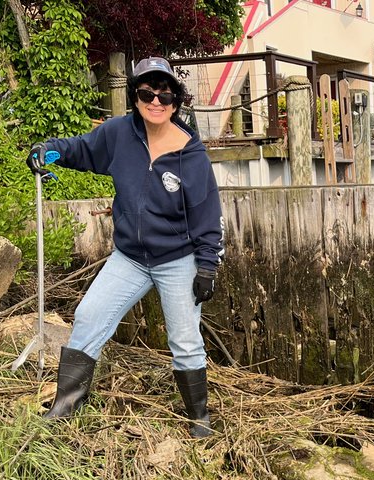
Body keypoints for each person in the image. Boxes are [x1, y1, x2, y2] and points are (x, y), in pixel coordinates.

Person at [27, 57, 225, 438]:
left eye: (163, 93)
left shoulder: (192, 155)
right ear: (135, 96)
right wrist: (48, 150)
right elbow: (82, 149)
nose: (155, 100)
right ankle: (66, 405)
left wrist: (207, 267)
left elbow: (207, 216)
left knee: (184, 340)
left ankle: (199, 418)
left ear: (175, 100)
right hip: (130, 258)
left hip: (177, 260)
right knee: (88, 315)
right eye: (147, 92)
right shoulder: (119, 134)